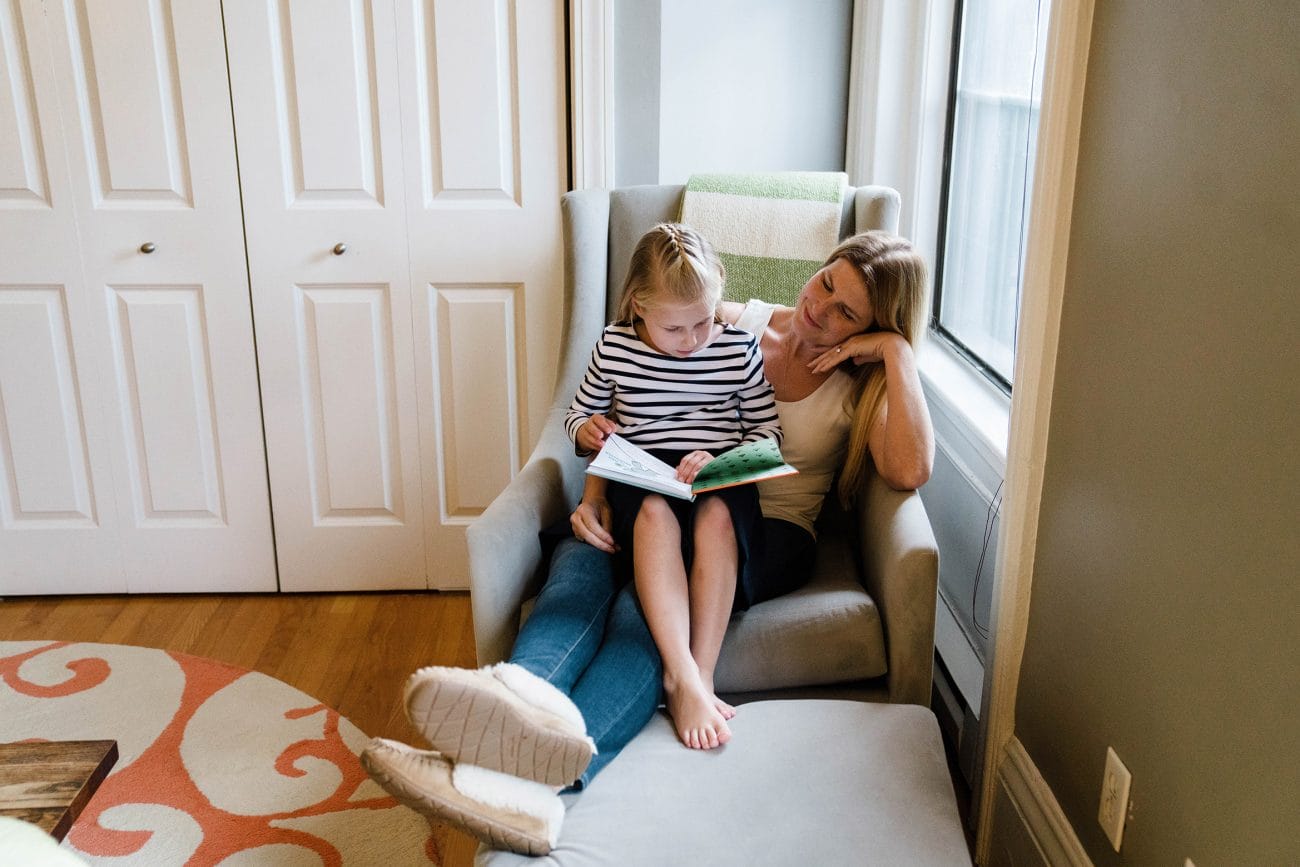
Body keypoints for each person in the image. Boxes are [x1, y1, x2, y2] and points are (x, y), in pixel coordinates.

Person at [361, 229, 935, 857]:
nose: (820, 308)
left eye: (847, 312)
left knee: (638, 610)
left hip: (753, 526)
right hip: (648, 496)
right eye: (826, 283)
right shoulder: (722, 318)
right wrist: (594, 495)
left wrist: (897, 354)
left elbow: (907, 471)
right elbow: (623, 401)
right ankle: (495, 722)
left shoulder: (861, 382)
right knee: (577, 570)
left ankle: (544, 779)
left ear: (872, 327)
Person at [566, 222, 782, 753]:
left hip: (717, 475)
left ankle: (699, 677)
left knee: (717, 517)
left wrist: (722, 457)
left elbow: (768, 434)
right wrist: (586, 429)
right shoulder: (614, 347)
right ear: (639, 305)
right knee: (654, 514)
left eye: (703, 322)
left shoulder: (737, 348)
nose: (691, 342)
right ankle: (679, 673)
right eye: (674, 330)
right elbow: (579, 412)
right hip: (642, 475)